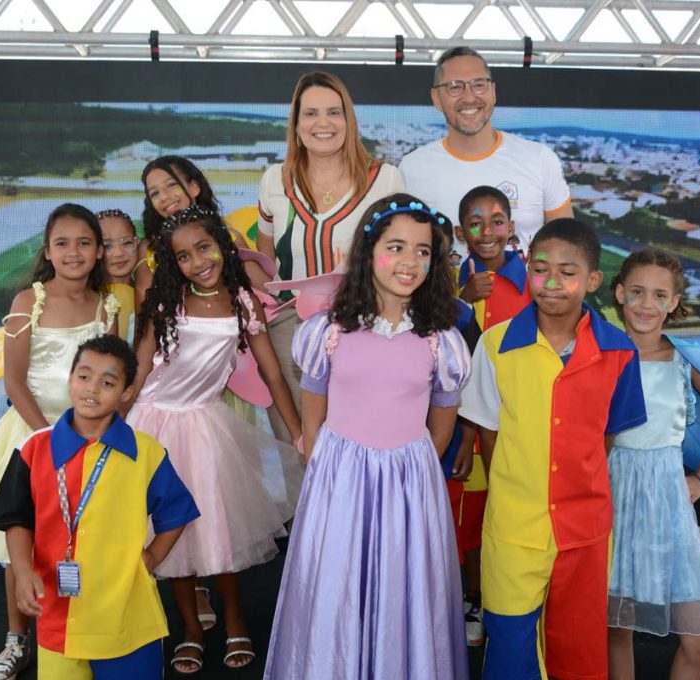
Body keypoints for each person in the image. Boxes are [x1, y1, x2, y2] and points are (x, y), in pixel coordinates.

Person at [264, 194, 470, 680]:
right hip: (341, 478)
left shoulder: (441, 339)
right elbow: (313, 406)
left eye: (423, 251)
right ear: (368, 250)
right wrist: (323, 462)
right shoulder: (328, 330)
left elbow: (442, 423)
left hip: (407, 483)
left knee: (402, 584)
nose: (409, 261)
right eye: (395, 247)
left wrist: (411, 468)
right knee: (338, 582)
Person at [459, 219, 647, 680]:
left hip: (584, 531)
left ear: (594, 280)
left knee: (577, 649)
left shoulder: (619, 352)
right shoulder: (495, 345)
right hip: (514, 527)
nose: (552, 282)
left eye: (568, 272)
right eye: (541, 269)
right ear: (527, 270)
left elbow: (606, 437)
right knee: (509, 645)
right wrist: (516, 489)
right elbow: (489, 433)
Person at [125, 205, 304, 674]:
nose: (198, 262)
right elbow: (140, 371)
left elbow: (272, 373)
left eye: (204, 248)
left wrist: (298, 431)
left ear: (222, 246)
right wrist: (111, 432)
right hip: (152, 427)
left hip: (205, 426)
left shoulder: (243, 302)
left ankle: (235, 617)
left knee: (217, 526)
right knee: (170, 530)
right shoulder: (165, 304)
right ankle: (191, 628)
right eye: (183, 257)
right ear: (173, 264)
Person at [0, 203, 119, 680]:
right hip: (32, 438)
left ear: (99, 251)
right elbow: (14, 380)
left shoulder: (108, 307)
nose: (74, 252)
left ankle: (81, 634)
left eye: (84, 242)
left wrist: (93, 436)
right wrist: (47, 439)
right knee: (21, 545)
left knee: (81, 541)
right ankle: (15, 640)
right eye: (62, 243)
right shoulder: (30, 301)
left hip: (88, 439)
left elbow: (109, 377)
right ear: (47, 251)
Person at [0, 335, 199, 679]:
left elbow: (176, 511)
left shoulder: (146, 452)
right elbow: (17, 519)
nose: (92, 389)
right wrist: (22, 571)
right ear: (70, 379)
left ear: (127, 392)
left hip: (127, 620)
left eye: (108, 382)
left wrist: (152, 557)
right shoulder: (33, 448)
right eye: (84, 376)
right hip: (57, 620)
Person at [607, 248, 700, 680]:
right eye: (638, 291)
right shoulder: (600, 354)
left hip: (666, 502)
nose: (647, 303)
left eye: (660, 295)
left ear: (674, 302)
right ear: (620, 293)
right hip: (611, 496)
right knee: (616, 628)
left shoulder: (685, 359)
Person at [256, 71, 405, 443]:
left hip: (363, 328)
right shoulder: (274, 180)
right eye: (310, 114)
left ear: (348, 119)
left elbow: (402, 257)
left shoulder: (386, 179)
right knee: (299, 447)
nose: (323, 123)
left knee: (359, 443)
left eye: (333, 112)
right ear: (296, 124)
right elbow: (264, 257)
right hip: (289, 332)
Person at [450, 185, 533, 647]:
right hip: (469, 425)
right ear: (461, 231)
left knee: (515, 514)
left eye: (497, 221)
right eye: (475, 223)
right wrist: (462, 297)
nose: (487, 232)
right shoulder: (454, 277)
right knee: (474, 520)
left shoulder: (531, 281)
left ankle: (517, 602)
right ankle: (475, 598)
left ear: (511, 228)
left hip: (518, 426)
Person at [399, 46, 573, 252]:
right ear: (436, 98)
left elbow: (568, 246)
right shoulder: (412, 168)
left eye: (479, 85)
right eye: (455, 87)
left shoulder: (539, 159)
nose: (469, 97)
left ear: (493, 91)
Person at [136, 155, 272, 309]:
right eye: (155, 193)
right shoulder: (150, 249)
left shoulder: (228, 235)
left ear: (194, 187)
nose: (163, 197)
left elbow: (266, 287)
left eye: (171, 185)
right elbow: (144, 307)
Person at [97, 208, 139, 342]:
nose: (119, 253)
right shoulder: (88, 296)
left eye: (127, 242)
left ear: (137, 242)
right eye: (107, 246)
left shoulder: (149, 289)